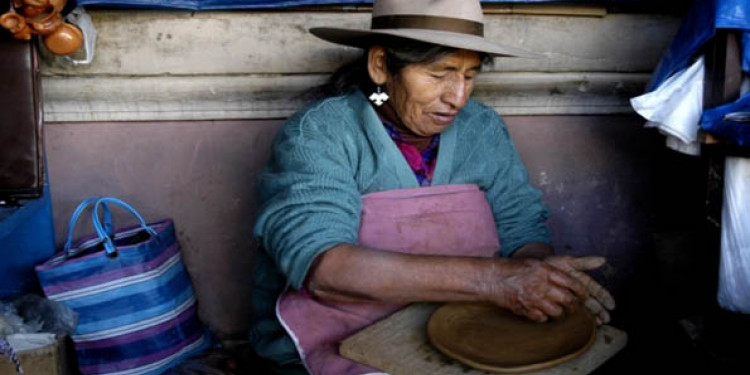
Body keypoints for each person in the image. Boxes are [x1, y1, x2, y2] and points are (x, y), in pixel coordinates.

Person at [249, 1, 615, 374]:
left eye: (469, 76)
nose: (457, 97)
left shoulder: (481, 127)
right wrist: (494, 280)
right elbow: (325, 271)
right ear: (380, 66)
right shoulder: (324, 134)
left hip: (466, 325)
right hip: (341, 337)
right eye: (439, 74)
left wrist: (542, 277)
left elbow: (522, 231)